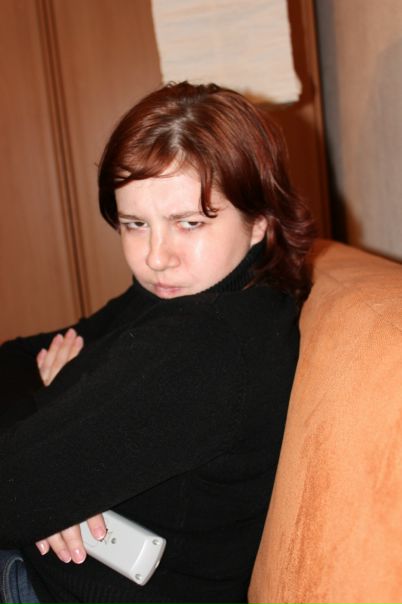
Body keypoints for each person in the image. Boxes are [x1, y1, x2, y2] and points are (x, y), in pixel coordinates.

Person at [0, 81, 315, 604]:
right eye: (134, 224)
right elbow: (19, 360)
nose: (156, 256)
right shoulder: (185, 293)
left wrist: (56, 403)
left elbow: (11, 489)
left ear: (260, 219)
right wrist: (50, 452)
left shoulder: (205, 347)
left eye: (188, 223)